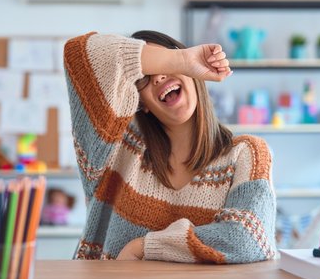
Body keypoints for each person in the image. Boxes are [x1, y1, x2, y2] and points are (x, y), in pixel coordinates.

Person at [63, 30, 276, 263]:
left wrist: (145, 247)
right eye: (145, 75)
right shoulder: (117, 148)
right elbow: (77, 53)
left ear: (192, 75)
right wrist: (180, 61)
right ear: (141, 102)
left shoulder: (247, 153)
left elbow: (249, 239)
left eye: (165, 61)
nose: (157, 77)